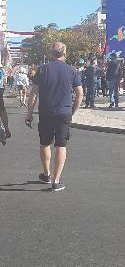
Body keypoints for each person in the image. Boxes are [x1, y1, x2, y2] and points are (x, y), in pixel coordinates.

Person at [25, 41, 83, 192]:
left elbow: (33, 93)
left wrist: (29, 113)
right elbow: (79, 93)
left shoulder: (42, 69)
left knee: (45, 143)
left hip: (46, 112)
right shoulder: (72, 71)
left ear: (51, 54)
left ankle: (46, 174)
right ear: (65, 53)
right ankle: (56, 181)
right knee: (61, 145)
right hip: (64, 112)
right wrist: (73, 111)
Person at [0, 65, 11, 145]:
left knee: (2, 110)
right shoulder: (1, 72)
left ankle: (4, 131)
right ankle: (5, 130)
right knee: (2, 110)